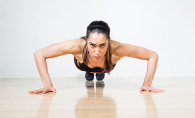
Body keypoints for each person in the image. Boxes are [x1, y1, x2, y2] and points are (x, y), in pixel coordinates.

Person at [28, 20, 165, 94]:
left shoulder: (118, 48)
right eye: (92, 45)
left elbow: (152, 55)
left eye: (102, 45)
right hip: (83, 64)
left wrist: (147, 84)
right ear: (86, 40)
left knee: (103, 68)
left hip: (106, 66)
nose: (97, 51)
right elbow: (39, 54)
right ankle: (90, 72)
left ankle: (100, 73)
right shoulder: (75, 46)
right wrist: (47, 85)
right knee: (90, 69)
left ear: (109, 41)